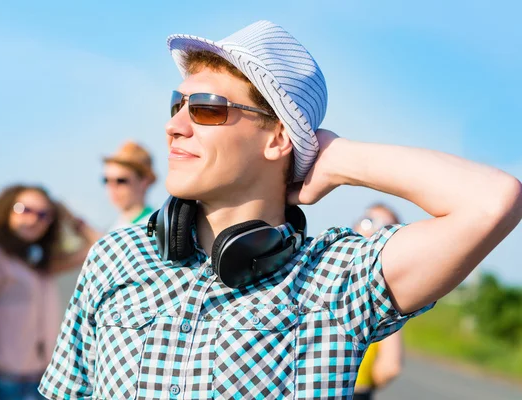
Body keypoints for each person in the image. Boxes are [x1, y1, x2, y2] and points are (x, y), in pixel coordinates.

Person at [39, 20, 522, 399]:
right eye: (176, 105)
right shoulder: (116, 256)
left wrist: (336, 158)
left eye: (205, 108)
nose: (175, 126)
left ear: (276, 138)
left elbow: (492, 201)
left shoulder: (336, 280)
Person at [0, 184, 96, 400]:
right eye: (24, 210)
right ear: (6, 211)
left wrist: (71, 219)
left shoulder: (41, 263)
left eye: (43, 214)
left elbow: (97, 245)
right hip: (7, 383)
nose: (33, 219)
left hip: (46, 380)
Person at [353, 204, 404, 400]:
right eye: (370, 221)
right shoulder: (386, 294)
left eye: (386, 228)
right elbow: (390, 366)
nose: (375, 230)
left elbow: (390, 367)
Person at [102, 141, 157, 233]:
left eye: (121, 180)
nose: (112, 187)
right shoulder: (114, 227)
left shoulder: (154, 225)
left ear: (144, 181)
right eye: (107, 180)